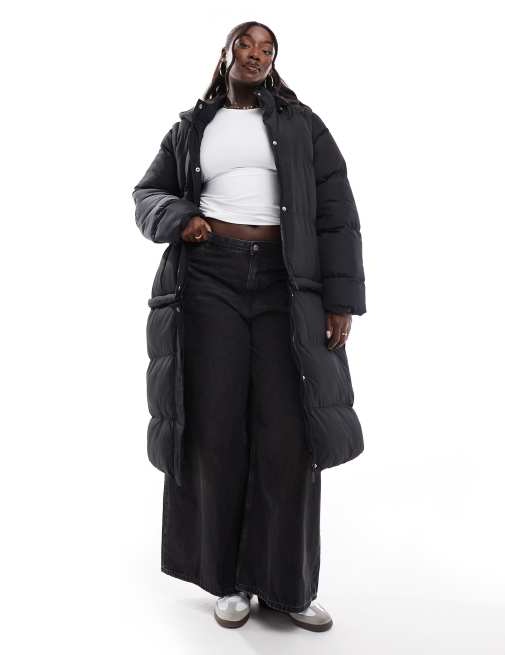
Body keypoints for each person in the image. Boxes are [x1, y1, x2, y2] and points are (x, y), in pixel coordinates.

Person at [132, 20, 366, 632]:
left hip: (288, 286)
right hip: (209, 279)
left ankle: (288, 587)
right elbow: (148, 194)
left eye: (267, 49)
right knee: (215, 428)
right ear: (226, 53)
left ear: (274, 61)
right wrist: (182, 217)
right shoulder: (192, 127)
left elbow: (338, 213)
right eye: (246, 44)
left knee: (290, 435)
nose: (256, 54)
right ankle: (228, 580)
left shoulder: (302, 124)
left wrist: (341, 301)